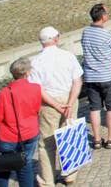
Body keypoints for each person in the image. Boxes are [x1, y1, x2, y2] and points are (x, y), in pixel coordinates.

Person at [29, 27, 86, 185]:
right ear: (56, 39)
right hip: (69, 98)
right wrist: (70, 102)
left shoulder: (35, 62)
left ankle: (47, 180)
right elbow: (77, 81)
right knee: (70, 136)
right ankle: (70, 175)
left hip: (48, 103)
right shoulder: (67, 56)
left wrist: (55, 104)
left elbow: (38, 89)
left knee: (46, 144)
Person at [0, 57, 59, 187]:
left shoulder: (5, 93)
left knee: (2, 170)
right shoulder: (36, 88)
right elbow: (36, 109)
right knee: (25, 165)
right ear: (28, 72)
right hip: (30, 133)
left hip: (9, 136)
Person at [80, 3, 111, 149]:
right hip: (108, 77)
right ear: (103, 17)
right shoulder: (107, 34)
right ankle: (110, 139)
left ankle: (97, 139)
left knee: (94, 108)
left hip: (91, 77)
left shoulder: (85, 32)